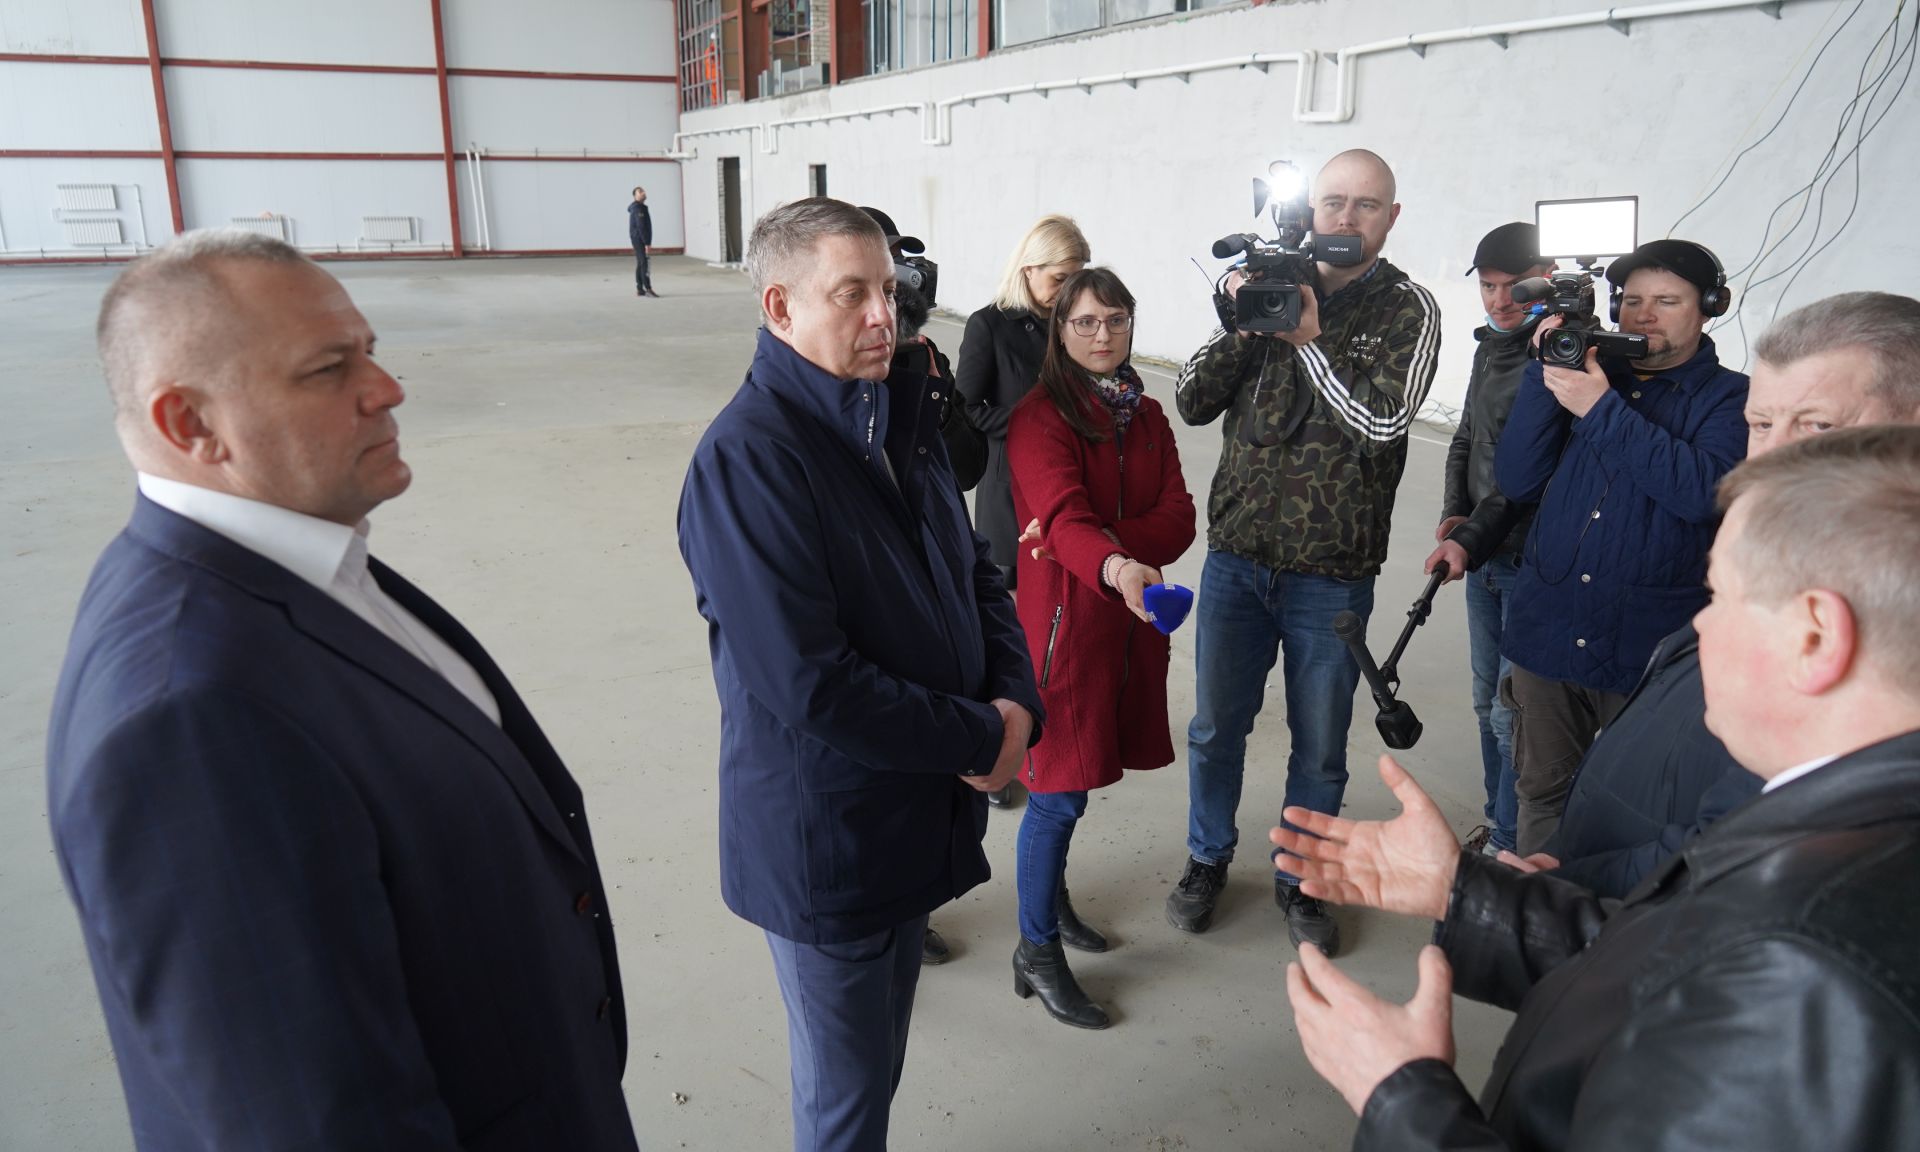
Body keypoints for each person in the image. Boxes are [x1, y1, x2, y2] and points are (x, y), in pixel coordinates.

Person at [45, 231, 639, 1151]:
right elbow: (309, 1117)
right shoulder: (191, 718)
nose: (387, 388)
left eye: (370, 350)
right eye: (329, 369)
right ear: (190, 424)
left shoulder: (312, 565)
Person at [1276, 424, 1920, 1151]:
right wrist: (1467, 893)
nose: (1699, 626)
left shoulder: (1812, 966)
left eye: (1720, 595)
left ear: (1815, 636)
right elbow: (1674, 970)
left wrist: (1401, 1096)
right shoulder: (1834, 821)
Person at [677, 198, 1042, 1152]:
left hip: (907, 814)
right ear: (780, 307)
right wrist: (982, 736)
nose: (886, 314)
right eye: (852, 294)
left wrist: (1016, 698)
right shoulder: (750, 460)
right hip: (829, 839)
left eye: (890, 287)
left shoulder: (896, 417)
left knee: (877, 1071)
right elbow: (811, 682)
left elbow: (977, 573)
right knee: (845, 1103)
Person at [1539, 290, 1920, 896]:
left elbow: (1733, 858)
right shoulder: (1785, 553)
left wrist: (1526, 904)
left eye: (1818, 426)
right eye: (1762, 425)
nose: (1770, 462)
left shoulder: (1892, 623)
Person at [1167, 148, 1441, 955]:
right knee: (1215, 729)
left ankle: (1304, 874)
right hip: (1237, 557)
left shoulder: (1408, 308)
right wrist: (1240, 316)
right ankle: (1207, 858)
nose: (1346, 217)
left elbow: (1384, 425)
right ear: (1311, 211)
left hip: (1333, 573)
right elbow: (1190, 399)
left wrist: (1310, 340)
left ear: (1391, 218)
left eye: (1366, 205)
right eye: (1333, 202)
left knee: (1319, 745)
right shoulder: (1271, 283)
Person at [1494, 238, 1748, 854]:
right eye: (1632, 301)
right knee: (1542, 796)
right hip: (1549, 631)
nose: (1645, 315)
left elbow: (1702, 492)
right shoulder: (1587, 374)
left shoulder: (1734, 398)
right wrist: (1546, 375)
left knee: (1644, 813)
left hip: (1649, 649)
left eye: (1667, 301)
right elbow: (1518, 479)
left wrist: (1600, 408)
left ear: (1709, 308)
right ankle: (1533, 911)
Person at [1005, 267, 1196, 1029]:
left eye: (1115, 319)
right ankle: (1035, 949)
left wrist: (1089, 540)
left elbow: (1179, 519)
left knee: (1074, 786)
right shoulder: (1040, 416)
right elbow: (1060, 512)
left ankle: (1050, 905)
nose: (1102, 334)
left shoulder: (1145, 414)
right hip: (1066, 632)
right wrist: (1112, 562)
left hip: (1126, 627)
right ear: (1060, 329)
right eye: (1084, 321)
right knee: (1057, 793)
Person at [861, 205, 986, 966]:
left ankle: (917, 903)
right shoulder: (827, 375)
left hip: (934, 574)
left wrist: (927, 390)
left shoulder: (925, 360)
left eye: (894, 279)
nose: (886, 303)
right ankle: (889, 911)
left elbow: (968, 465)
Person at [1426, 222, 1553, 858]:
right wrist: (1456, 513)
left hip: (1531, 558)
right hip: (1481, 555)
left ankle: (1509, 843)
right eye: (1488, 287)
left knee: (1512, 712)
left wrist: (1472, 536)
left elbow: (1526, 476)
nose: (1500, 301)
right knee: (1486, 704)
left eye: (1514, 287)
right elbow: (1465, 438)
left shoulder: (1556, 358)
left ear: (1546, 281)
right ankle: (1497, 822)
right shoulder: (1490, 350)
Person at [955, 213, 1090, 809]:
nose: (1069, 290)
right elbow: (964, 409)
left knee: (1058, 624)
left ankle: (1052, 746)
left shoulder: (1076, 323)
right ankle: (996, 750)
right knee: (1006, 632)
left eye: (1077, 278)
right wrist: (1036, 424)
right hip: (1009, 493)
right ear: (1030, 269)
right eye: (1061, 278)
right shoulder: (989, 325)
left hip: (1068, 490)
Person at [629, 186, 657, 297]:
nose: (643, 192)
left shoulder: (640, 207)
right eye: (640, 192)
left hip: (638, 239)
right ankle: (648, 289)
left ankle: (640, 289)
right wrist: (646, 243)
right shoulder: (638, 208)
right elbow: (641, 227)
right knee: (644, 263)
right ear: (635, 196)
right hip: (639, 239)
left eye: (643, 191)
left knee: (641, 263)